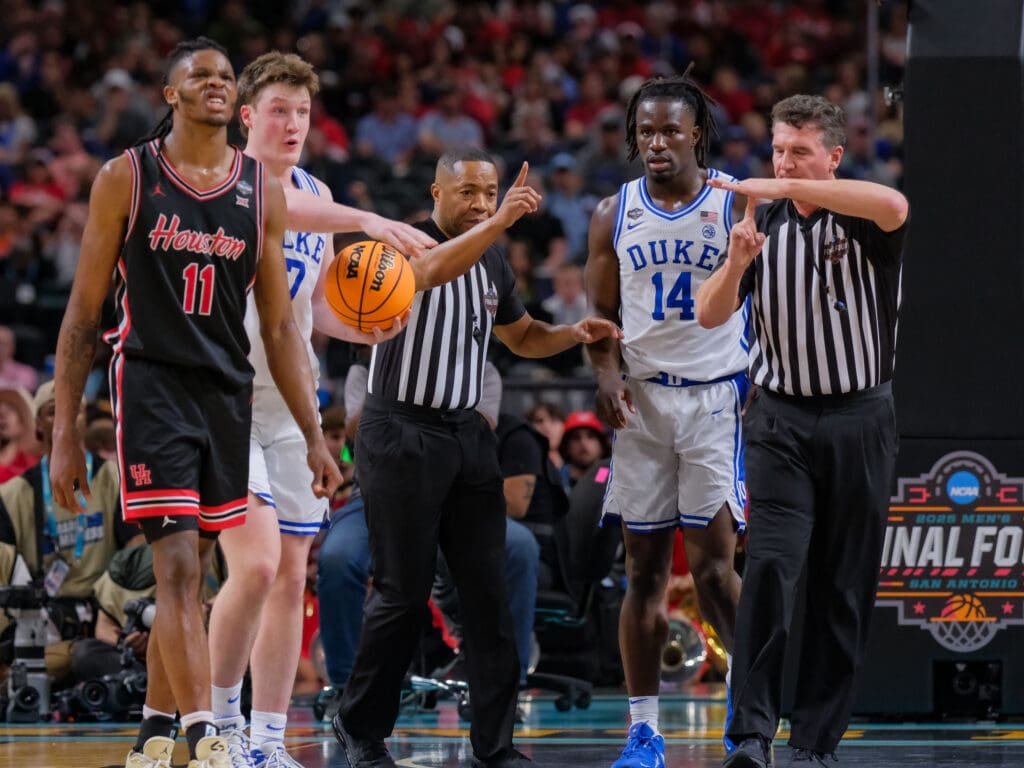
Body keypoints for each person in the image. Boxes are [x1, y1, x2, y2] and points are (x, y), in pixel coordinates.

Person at [206, 50, 543, 768]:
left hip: (292, 406)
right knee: (258, 568)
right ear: (246, 117)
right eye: (278, 110)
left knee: (289, 573)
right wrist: (369, 218)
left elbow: (320, 309)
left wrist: (374, 323)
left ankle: (266, 742)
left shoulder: (317, 190)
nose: (293, 123)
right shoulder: (222, 183)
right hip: (224, 400)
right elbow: (269, 207)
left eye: (303, 111)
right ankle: (218, 728)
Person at [47, 38, 340, 768]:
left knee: (198, 570)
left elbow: (281, 327)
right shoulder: (127, 176)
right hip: (151, 385)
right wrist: (64, 433)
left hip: (226, 393)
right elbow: (82, 313)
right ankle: (207, 733)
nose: (215, 82)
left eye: (224, 75)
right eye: (199, 75)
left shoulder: (261, 191)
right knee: (179, 568)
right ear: (171, 94)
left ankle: (153, 727)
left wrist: (313, 433)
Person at [332, 147, 621, 768]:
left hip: (466, 437)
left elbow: (522, 336)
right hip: (399, 430)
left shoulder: (492, 258)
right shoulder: (402, 242)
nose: (481, 204)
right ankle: (361, 727)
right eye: (467, 192)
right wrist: (501, 223)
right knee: (402, 595)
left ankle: (494, 744)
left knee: (489, 596)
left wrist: (573, 334)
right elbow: (429, 272)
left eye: (489, 193)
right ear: (436, 193)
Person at [695, 94, 908, 768]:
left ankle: (814, 742)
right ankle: (751, 734)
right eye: (778, 150)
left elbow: (896, 204)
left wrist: (783, 186)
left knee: (842, 586)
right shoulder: (759, 221)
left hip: (860, 417)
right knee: (771, 569)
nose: (783, 164)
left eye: (800, 152)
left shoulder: (864, 215)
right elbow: (709, 314)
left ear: (834, 157)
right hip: (780, 420)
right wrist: (736, 262)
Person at [584, 74, 750, 768]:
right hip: (644, 402)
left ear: (696, 134)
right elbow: (599, 317)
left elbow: (767, 298)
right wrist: (605, 374)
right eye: (645, 131)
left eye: (669, 130)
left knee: (714, 571)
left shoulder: (734, 201)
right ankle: (643, 730)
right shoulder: (612, 212)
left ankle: (748, 711)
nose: (656, 142)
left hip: (714, 399)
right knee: (643, 572)